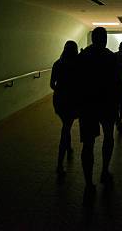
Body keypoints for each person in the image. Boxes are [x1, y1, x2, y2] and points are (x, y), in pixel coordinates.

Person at [77, 27, 120, 199]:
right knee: (109, 136)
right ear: (105, 39)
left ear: (93, 38)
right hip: (107, 103)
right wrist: (120, 104)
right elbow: (116, 82)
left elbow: (77, 81)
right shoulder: (111, 57)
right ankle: (104, 170)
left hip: (87, 105)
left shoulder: (83, 57)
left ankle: (88, 183)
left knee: (87, 144)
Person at [50, 40, 80, 176]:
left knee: (66, 125)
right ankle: (59, 164)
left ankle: (68, 148)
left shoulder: (57, 64)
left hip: (59, 101)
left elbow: (52, 84)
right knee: (66, 127)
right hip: (72, 101)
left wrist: (60, 91)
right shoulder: (78, 65)